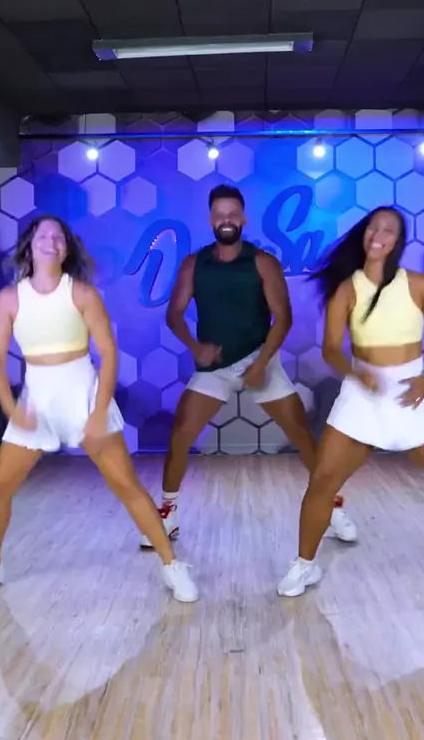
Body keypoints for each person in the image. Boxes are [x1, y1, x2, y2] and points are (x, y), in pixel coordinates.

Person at [0, 216, 199, 603]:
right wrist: (12, 410)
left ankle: (172, 565)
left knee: (126, 485)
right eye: (43, 236)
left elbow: (108, 354)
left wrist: (98, 412)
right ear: (30, 245)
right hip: (36, 402)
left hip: (82, 393)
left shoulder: (81, 293)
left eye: (58, 237)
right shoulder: (10, 299)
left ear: (66, 248)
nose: (51, 242)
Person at [139, 184, 356, 547]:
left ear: (243, 219)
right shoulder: (194, 264)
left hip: (260, 358)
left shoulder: (263, 262)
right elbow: (174, 314)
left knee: (303, 436)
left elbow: (283, 318)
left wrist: (262, 363)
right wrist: (195, 347)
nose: (226, 220)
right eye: (219, 214)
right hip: (215, 367)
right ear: (211, 220)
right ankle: (168, 514)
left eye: (232, 214)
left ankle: (331, 508)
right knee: (179, 437)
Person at [278, 206, 424, 597]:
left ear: (398, 242)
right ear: (364, 234)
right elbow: (330, 349)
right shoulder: (347, 289)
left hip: (413, 390)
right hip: (362, 393)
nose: (378, 235)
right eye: (373, 227)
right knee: (323, 481)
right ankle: (304, 566)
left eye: (388, 230)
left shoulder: (419, 285)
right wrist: (357, 374)